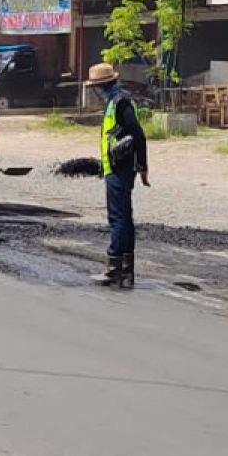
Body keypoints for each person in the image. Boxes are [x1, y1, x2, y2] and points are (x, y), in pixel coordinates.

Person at [86, 63, 148, 288]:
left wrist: (142, 166)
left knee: (118, 218)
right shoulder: (115, 102)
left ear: (103, 86)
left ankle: (115, 268)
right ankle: (126, 270)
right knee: (124, 217)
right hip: (115, 167)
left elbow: (138, 135)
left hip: (120, 168)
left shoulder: (120, 103)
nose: (95, 91)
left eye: (96, 87)